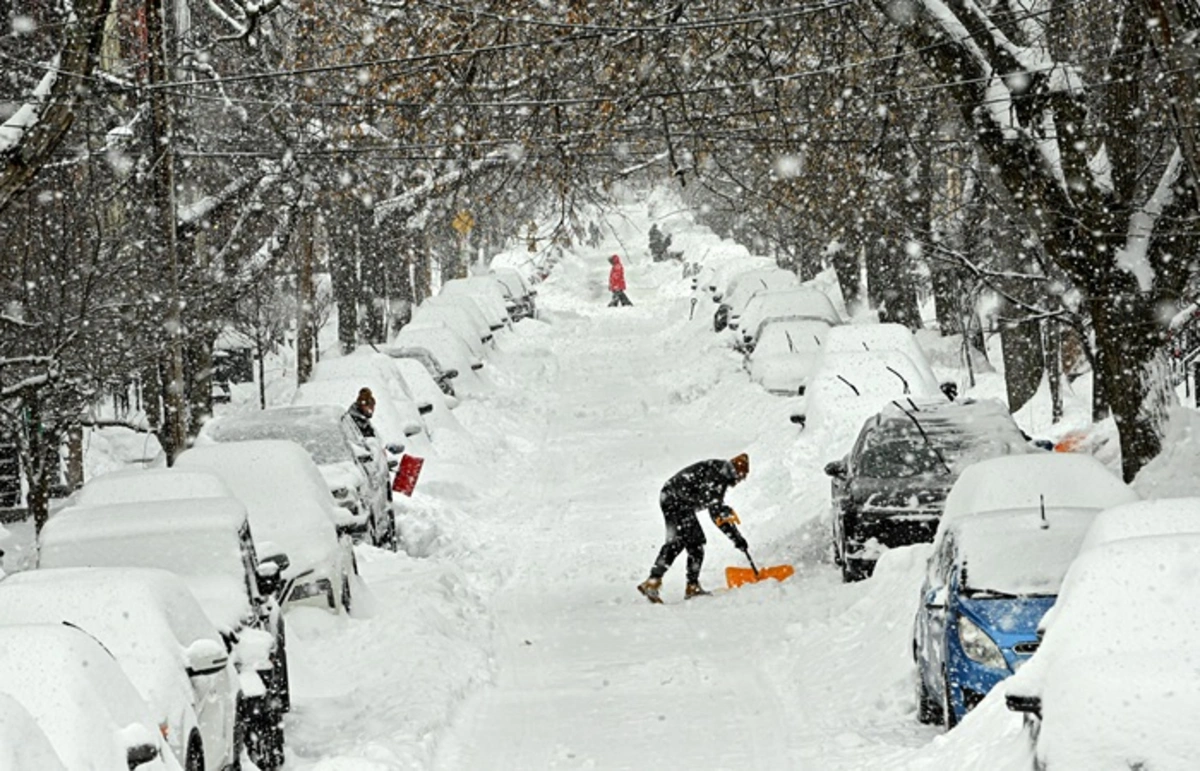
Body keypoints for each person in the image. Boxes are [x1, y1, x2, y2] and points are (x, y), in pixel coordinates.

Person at [637, 453, 750, 603]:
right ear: (736, 472)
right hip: (675, 500)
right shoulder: (718, 476)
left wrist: (737, 538)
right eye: (742, 476)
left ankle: (660, 582)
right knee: (691, 543)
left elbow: (715, 511)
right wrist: (736, 537)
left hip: (674, 498)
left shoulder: (720, 473)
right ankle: (679, 585)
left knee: (685, 542)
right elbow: (714, 508)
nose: (740, 480)